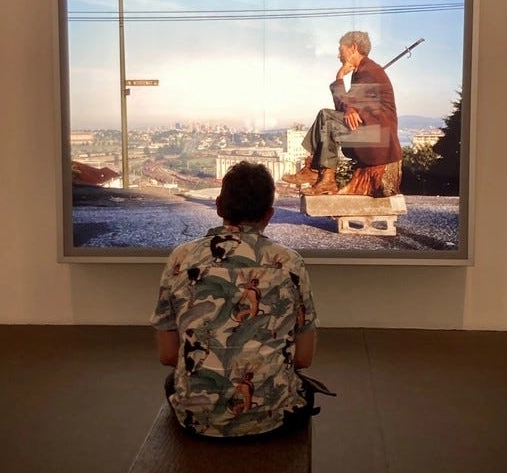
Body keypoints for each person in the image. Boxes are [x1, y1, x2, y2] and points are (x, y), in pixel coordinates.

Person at [150, 161, 323, 439]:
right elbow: (303, 359)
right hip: (272, 419)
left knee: (173, 381)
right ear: (269, 215)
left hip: (196, 420)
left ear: (219, 206)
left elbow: (168, 355)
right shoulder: (289, 262)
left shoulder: (181, 259)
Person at [283, 30, 402, 196]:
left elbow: (343, 106)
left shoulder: (369, 71)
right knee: (325, 116)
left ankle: (321, 174)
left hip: (379, 138)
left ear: (353, 48)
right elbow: (347, 107)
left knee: (328, 119)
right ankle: (319, 174)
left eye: (341, 49)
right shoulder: (363, 70)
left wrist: (339, 77)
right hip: (373, 132)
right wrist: (350, 108)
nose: (339, 54)